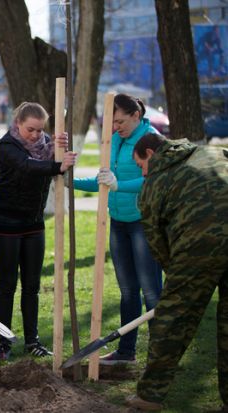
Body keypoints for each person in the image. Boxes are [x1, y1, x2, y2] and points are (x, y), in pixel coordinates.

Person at [124, 133, 228, 412]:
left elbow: (156, 241)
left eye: (140, 165)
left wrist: (177, 282)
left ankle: (149, 396)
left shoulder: (156, 183)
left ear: (150, 154)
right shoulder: (214, 152)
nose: (142, 173)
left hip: (198, 247)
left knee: (172, 323)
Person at [73, 94, 163, 365]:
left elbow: (154, 179)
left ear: (136, 115)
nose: (116, 127)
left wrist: (118, 185)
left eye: (121, 121)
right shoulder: (113, 140)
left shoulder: (151, 139)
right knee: (127, 291)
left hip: (143, 221)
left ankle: (161, 358)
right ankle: (126, 352)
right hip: (118, 221)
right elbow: (104, 180)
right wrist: (69, 181)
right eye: (112, 123)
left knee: (151, 291)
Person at [0, 102, 77, 360]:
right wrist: (56, 166)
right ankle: (4, 342)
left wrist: (59, 147)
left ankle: (33, 341)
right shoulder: (6, 146)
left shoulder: (46, 143)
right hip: (6, 222)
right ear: (18, 123)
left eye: (40, 131)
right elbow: (27, 166)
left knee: (32, 286)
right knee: (8, 284)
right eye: (31, 130)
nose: (36, 135)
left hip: (33, 222)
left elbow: (49, 156)